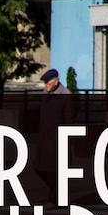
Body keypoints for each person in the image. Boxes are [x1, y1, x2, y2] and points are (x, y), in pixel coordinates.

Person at [34, 67, 76, 202]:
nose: (46, 86)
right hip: (45, 137)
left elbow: (69, 117)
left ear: (56, 81)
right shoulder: (46, 93)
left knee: (56, 170)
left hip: (58, 139)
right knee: (39, 167)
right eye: (45, 83)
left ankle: (57, 197)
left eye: (48, 83)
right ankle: (55, 193)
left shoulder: (65, 95)